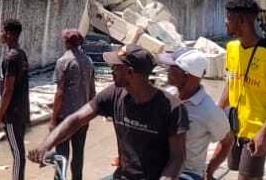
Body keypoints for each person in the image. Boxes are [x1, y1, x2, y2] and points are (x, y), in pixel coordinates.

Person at [29, 44, 188, 180]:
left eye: (115, 67)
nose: (111, 71)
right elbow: (77, 119)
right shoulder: (114, 94)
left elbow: (177, 157)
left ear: (130, 73)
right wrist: (47, 144)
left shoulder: (172, 108)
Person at [208, 0, 266, 180]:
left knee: (247, 176)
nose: (225, 22)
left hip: (257, 129)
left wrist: (263, 133)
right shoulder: (231, 48)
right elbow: (230, 82)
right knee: (227, 166)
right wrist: (217, 112)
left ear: (242, 20)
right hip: (235, 124)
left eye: (228, 18)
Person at [160, 47, 230, 180]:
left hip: (187, 173)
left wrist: (210, 171)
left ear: (186, 75)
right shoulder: (167, 96)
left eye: (172, 68)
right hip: (162, 166)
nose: (167, 70)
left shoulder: (208, 110)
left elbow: (227, 141)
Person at [50, 29, 96, 180]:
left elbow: (60, 93)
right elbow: (92, 92)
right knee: (78, 155)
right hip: (83, 116)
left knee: (61, 154)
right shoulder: (88, 61)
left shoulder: (63, 61)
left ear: (67, 42)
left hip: (65, 117)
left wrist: (53, 119)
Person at [0, 19, 30, 180]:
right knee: (19, 152)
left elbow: (8, 90)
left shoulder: (10, 58)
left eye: (2, 31)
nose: (0, 34)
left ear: (9, 34)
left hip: (13, 114)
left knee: (17, 154)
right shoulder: (21, 55)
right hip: (21, 111)